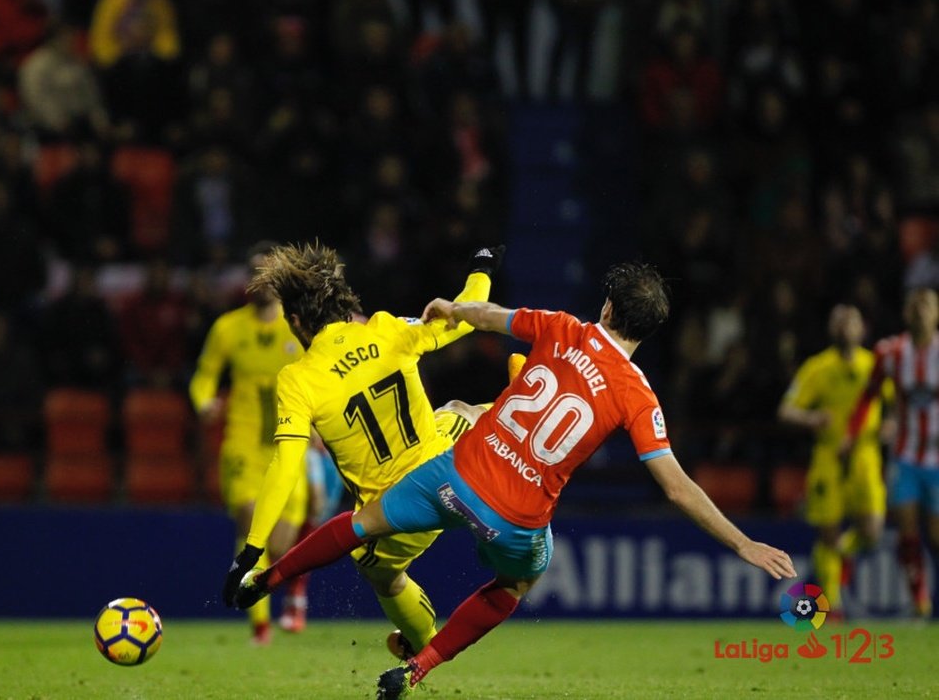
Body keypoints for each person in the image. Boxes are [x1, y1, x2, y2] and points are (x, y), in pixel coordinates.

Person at [232, 261, 797, 698]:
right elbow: (676, 487)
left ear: (606, 306)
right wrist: (744, 542)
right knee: (516, 586)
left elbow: (485, 315)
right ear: (650, 332)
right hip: (518, 519)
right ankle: (419, 667)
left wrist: (451, 306)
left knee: (360, 524)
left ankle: (270, 579)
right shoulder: (639, 395)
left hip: (455, 476)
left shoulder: (563, 328)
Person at [221, 241, 504, 658]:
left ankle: (423, 641)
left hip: (400, 512)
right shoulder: (387, 328)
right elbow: (466, 317)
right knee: (462, 410)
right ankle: (529, 417)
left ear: (296, 321)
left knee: (381, 574)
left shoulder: (298, 379)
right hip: (452, 461)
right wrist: (482, 266)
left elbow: (286, 465)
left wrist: (252, 551)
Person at [190, 241, 306, 643]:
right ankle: (259, 624)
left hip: (290, 447)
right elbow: (204, 376)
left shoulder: (299, 326)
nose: (263, 281)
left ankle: (283, 599)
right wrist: (204, 402)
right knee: (249, 519)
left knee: (280, 544)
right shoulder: (227, 328)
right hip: (242, 445)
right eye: (256, 272)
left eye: (270, 272)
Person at [778, 304, 888, 614]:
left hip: (865, 455)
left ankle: (838, 556)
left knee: (872, 532)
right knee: (827, 532)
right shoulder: (817, 367)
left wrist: (892, 424)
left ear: (862, 328)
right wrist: (812, 418)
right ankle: (833, 608)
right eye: (838, 322)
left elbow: (897, 401)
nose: (844, 327)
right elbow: (786, 410)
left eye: (850, 321)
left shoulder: (875, 366)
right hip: (828, 457)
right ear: (831, 329)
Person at [845, 287, 939, 618]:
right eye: (915, 306)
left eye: (927, 305)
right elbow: (868, 396)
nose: (920, 312)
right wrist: (852, 433)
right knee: (908, 529)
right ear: (906, 314)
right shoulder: (891, 352)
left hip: (938, 460)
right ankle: (919, 600)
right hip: (905, 455)